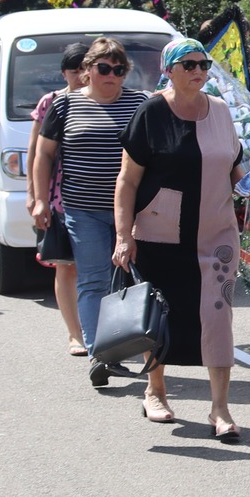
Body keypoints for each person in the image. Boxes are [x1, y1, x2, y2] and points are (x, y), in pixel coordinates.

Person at [114, 39, 246, 439]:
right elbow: (127, 181)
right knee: (160, 315)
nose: (198, 70)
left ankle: (220, 409)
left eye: (203, 63)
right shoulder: (151, 112)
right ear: (168, 69)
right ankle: (155, 393)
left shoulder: (220, 112)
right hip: (159, 234)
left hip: (216, 233)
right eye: (188, 64)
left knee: (218, 315)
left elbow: (236, 168)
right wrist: (123, 235)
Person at [35, 39, 147, 381]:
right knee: (94, 279)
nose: (111, 76)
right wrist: (40, 199)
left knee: (130, 281)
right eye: (103, 68)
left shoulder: (140, 104)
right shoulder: (64, 105)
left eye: (118, 69)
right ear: (87, 70)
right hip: (83, 210)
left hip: (133, 212)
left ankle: (128, 344)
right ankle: (99, 351)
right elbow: (43, 155)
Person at [30, 44, 90, 356]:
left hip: (99, 200)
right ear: (63, 72)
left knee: (99, 270)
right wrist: (35, 196)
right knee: (66, 267)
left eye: (86, 68)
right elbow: (38, 154)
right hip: (60, 198)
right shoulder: (51, 102)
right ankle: (75, 333)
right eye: (74, 70)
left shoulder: (107, 100)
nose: (81, 76)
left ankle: (103, 331)